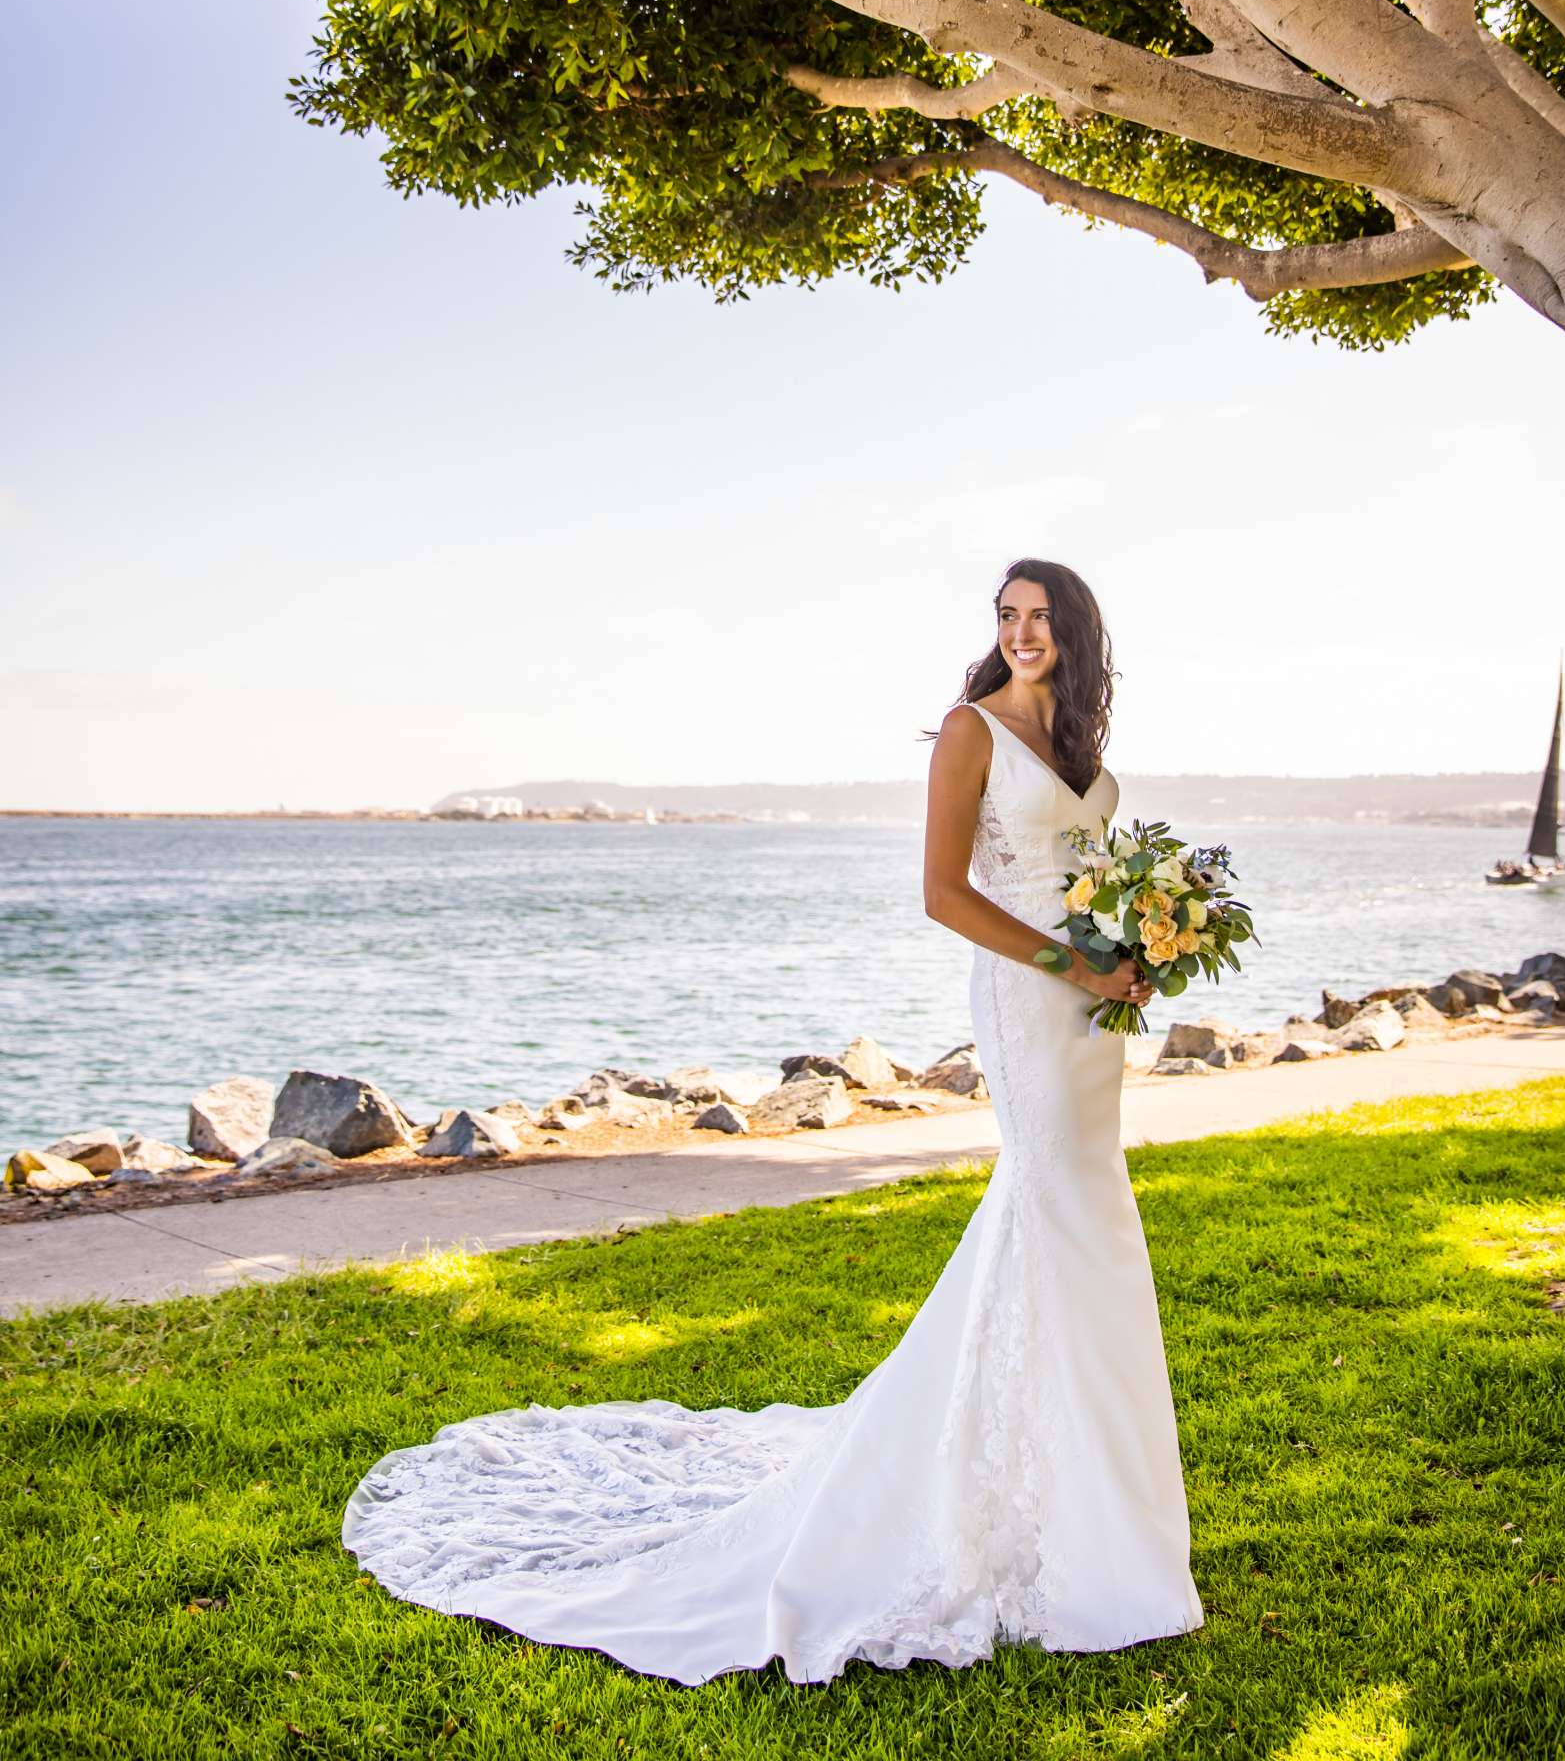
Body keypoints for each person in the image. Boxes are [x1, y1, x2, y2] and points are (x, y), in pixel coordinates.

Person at [343, 556, 1203, 1682]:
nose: (1022, 631)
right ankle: (1041, 1513)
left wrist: (1134, 948)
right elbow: (942, 893)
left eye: (1040, 617)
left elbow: (1090, 871)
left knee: (1079, 1218)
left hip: (1090, 1009)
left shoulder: (1083, 751)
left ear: (1075, 630)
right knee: (1058, 1206)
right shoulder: (969, 730)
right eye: (1006, 615)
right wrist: (1066, 963)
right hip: (1029, 1000)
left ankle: (1077, 1502)